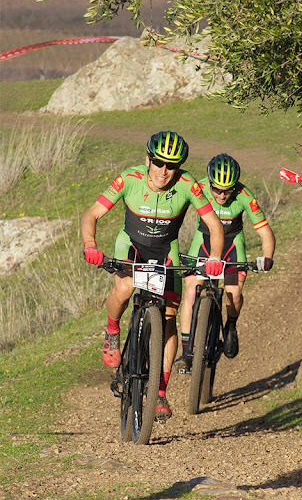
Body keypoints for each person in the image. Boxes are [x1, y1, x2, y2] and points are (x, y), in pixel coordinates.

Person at [81, 130, 225, 420]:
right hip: (131, 245)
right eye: (158, 162)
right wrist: (91, 245)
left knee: (169, 316)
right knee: (123, 289)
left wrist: (214, 258)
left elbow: (214, 225)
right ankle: (111, 331)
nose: (163, 171)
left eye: (171, 165)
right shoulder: (129, 179)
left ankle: (160, 391)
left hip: (165, 251)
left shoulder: (187, 184)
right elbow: (92, 214)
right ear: (148, 159)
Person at [179, 153, 276, 361]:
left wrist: (267, 257)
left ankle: (230, 325)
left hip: (232, 245)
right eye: (217, 190)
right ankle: (186, 348)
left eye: (228, 190)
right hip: (203, 242)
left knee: (234, 294)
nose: (222, 196)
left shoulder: (244, 195)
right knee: (190, 292)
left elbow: (265, 231)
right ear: (209, 183)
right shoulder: (199, 188)